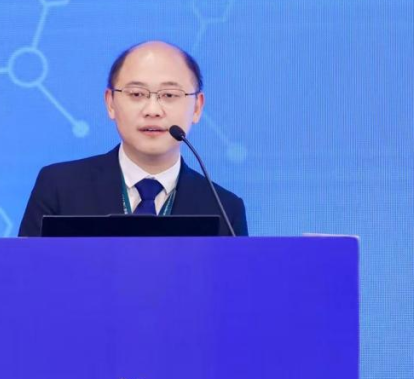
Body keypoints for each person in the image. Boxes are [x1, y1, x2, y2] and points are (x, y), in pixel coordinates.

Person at [18, 40, 248, 236]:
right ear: (110, 102)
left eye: (169, 95)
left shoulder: (225, 209)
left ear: (197, 107)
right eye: (137, 94)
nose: (153, 110)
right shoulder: (59, 188)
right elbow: (25, 272)